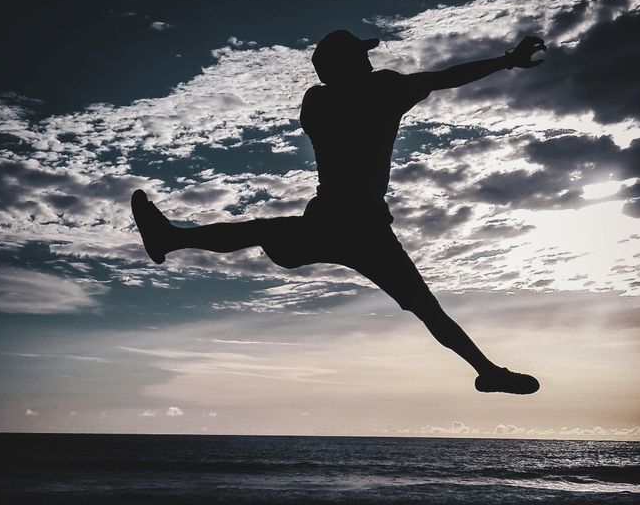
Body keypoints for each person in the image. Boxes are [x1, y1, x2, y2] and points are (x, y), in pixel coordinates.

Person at [131, 28, 546, 393]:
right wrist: (507, 60)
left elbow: (435, 81)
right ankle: (487, 371)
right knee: (424, 308)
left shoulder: (317, 102)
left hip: (334, 224)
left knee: (263, 231)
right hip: (359, 228)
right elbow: (443, 78)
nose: (369, 61)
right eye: (360, 56)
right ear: (344, 64)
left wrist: (505, 61)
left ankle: (174, 237)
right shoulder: (381, 90)